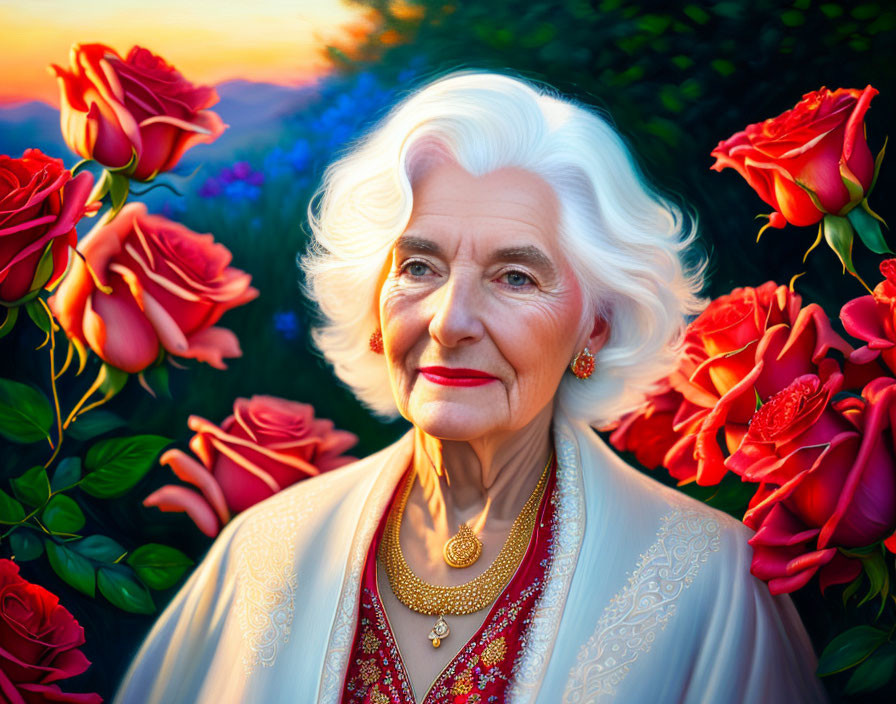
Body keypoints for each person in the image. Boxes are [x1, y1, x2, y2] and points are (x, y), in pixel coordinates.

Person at [113, 71, 827, 703]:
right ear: (373, 299)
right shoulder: (266, 550)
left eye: (516, 277)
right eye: (418, 268)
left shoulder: (710, 584)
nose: (450, 322)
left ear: (597, 328)